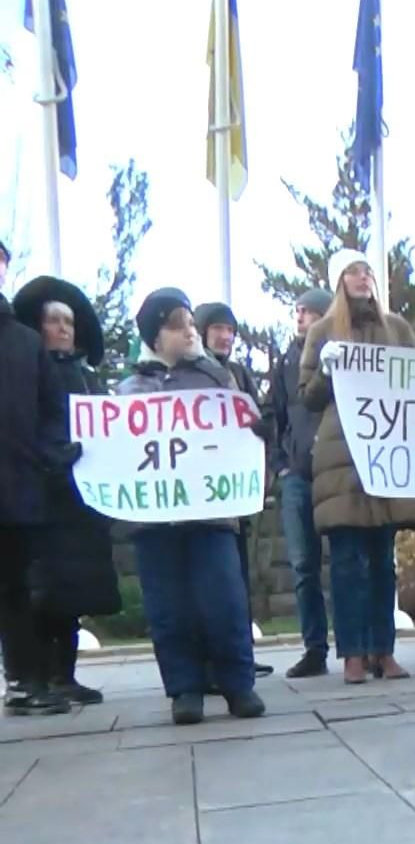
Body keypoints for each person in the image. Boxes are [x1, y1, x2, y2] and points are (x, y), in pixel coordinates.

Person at [119, 289, 266, 725]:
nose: (189, 330)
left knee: (224, 599)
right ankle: (185, 689)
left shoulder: (217, 380)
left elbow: (244, 428)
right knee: (169, 606)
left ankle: (238, 684)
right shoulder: (128, 390)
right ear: (155, 335)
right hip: (155, 522)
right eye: (176, 323)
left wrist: (260, 431)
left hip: (211, 515)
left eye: (189, 321)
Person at [303, 251, 415, 685]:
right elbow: (308, 395)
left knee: (381, 558)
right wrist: (325, 370)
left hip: (387, 449)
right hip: (343, 455)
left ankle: (384, 649)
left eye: (367, 271)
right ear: (339, 280)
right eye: (353, 272)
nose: (363, 278)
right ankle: (353, 653)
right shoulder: (323, 332)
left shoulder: (397, 330)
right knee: (346, 559)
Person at [13, 278, 120, 711]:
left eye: (69, 322)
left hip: (84, 501)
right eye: (53, 321)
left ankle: (66, 674)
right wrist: (51, 458)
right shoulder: (31, 372)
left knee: (76, 595)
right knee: (45, 594)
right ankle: (38, 675)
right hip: (45, 496)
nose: (63, 329)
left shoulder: (88, 377)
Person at [0, 279, 70, 715]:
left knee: (16, 589)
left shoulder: (25, 342)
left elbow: (52, 411)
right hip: (17, 485)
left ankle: (25, 681)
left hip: (16, 486)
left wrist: (48, 455)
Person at [195, 300, 275, 678]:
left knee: (239, 573)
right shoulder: (194, 373)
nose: (225, 336)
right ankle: (211, 656)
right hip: (204, 486)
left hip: (237, 489)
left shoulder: (239, 374)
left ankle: (240, 651)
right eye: (218, 329)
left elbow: (258, 418)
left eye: (230, 330)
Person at [270, 287, 338, 678]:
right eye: (297, 311)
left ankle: (356, 649)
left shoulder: (342, 355)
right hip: (297, 474)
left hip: (335, 470)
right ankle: (315, 648)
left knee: (345, 562)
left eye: (308, 312)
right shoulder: (286, 362)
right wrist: (281, 465)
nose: (300, 318)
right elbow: (276, 415)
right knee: (303, 567)